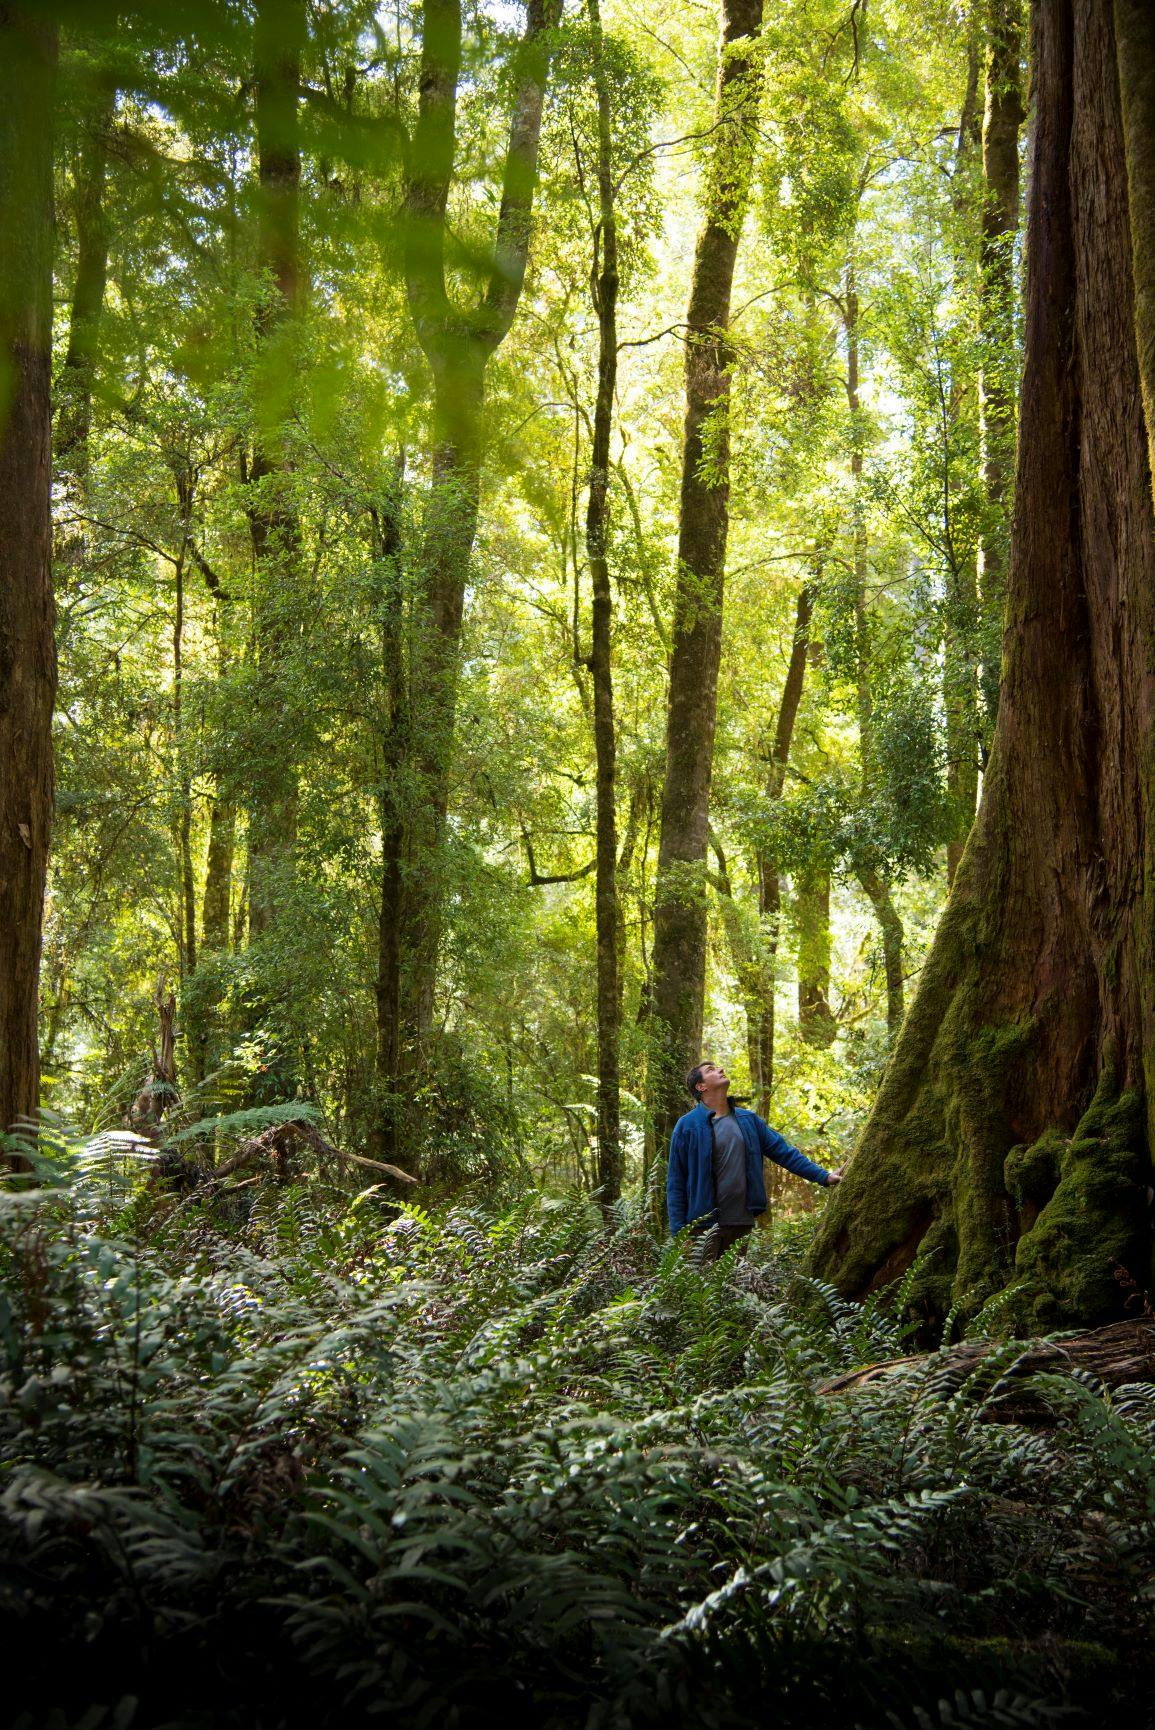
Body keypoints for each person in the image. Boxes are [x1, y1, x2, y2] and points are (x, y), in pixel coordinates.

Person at [666, 1059, 843, 1261]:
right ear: (701, 1086)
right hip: (702, 1227)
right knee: (701, 1289)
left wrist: (824, 1176)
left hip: (741, 1222)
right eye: (711, 1070)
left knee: (734, 1288)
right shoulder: (687, 1125)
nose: (721, 1069)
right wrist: (679, 1232)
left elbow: (784, 1153)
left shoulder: (748, 1120)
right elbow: (676, 1181)